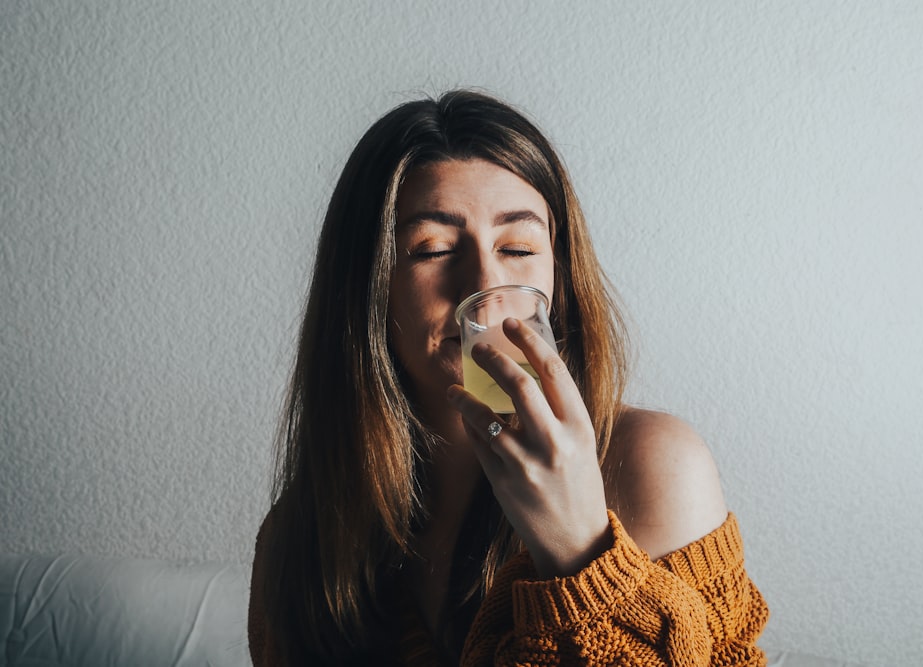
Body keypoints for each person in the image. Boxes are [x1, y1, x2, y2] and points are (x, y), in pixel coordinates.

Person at [248, 89, 768, 666]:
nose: (484, 286)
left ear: (559, 280)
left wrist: (581, 551)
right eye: (433, 249)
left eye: (518, 247)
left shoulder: (652, 466)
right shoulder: (297, 540)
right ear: (365, 291)